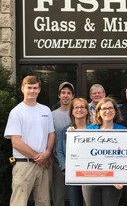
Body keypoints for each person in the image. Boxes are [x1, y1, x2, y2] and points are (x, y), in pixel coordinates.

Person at [4, 75, 55, 206]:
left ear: (39, 90)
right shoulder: (16, 112)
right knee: (19, 203)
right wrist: (39, 157)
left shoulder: (46, 110)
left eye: (35, 88)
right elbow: (16, 142)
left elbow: (51, 134)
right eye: (29, 87)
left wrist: (48, 152)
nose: (32, 91)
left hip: (43, 166)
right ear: (22, 89)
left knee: (43, 202)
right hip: (23, 165)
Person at [82, 97, 126, 206]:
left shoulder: (123, 130)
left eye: (111, 108)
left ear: (115, 111)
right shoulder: (90, 129)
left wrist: (122, 177)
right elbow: (83, 154)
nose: (108, 111)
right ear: (98, 112)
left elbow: (126, 158)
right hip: (91, 179)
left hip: (114, 181)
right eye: (104, 108)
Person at [56, 98, 89, 206]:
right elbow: (59, 151)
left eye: (82, 107)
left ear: (87, 110)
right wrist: (65, 168)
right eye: (76, 107)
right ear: (72, 111)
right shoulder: (65, 131)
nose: (79, 110)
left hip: (91, 174)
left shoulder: (94, 129)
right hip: (72, 174)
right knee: (75, 203)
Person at [50, 82, 75, 206]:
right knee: (58, 195)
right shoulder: (52, 115)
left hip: (77, 162)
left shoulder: (79, 113)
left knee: (76, 196)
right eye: (63, 93)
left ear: (73, 96)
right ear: (59, 95)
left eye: (69, 93)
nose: (66, 96)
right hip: (58, 161)